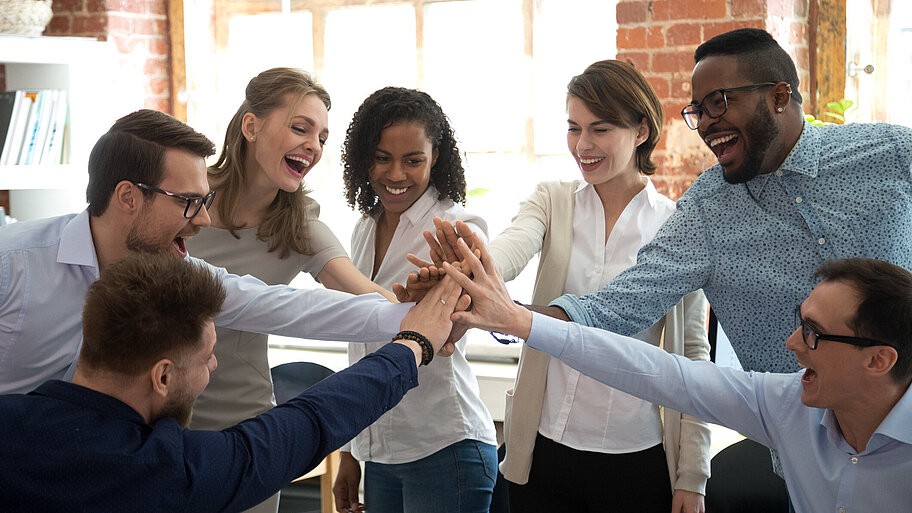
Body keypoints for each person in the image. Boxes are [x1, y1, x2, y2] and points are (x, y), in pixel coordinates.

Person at [447, 235, 912, 513]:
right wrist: (521, 322)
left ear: (879, 360)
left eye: (813, 334)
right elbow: (657, 373)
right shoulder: (784, 404)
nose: (790, 344)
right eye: (798, 321)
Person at [429, 61, 710, 512]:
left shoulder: (677, 227)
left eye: (599, 130)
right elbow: (511, 249)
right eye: (574, 128)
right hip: (542, 452)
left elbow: (694, 357)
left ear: (641, 130)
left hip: (636, 458)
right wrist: (472, 265)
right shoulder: (553, 201)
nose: (583, 146)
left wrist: (693, 477)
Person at [0, 252, 467, 512]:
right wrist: (413, 344)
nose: (216, 366)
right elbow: (307, 422)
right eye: (206, 357)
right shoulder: (164, 472)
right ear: (162, 376)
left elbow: (291, 307)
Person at [0, 109, 414, 396]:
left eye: (204, 201)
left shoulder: (176, 274)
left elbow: (290, 307)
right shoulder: (12, 264)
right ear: (128, 197)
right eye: (188, 202)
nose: (203, 221)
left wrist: (418, 318)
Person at [189, 68, 398, 513]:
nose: (314, 146)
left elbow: (364, 295)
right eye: (301, 128)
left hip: (245, 432)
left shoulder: (298, 224)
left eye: (322, 137)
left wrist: (428, 309)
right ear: (251, 126)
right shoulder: (187, 197)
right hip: (158, 421)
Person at [332, 87, 497, 513]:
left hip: (445, 447)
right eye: (382, 157)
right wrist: (352, 452)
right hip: (381, 454)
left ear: (436, 156)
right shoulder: (363, 229)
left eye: (413, 160)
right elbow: (359, 345)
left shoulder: (458, 226)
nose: (396, 173)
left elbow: (454, 334)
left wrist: (442, 305)